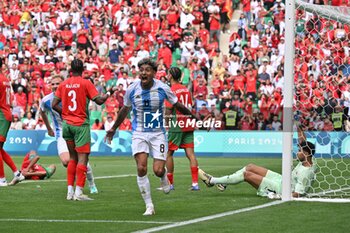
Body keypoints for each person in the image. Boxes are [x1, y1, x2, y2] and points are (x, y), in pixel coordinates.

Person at [105, 58, 198, 215]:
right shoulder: (132, 89)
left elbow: (177, 105)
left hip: (158, 135)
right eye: (141, 70)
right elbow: (124, 110)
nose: (143, 73)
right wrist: (113, 128)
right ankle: (149, 205)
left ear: (154, 73)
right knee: (141, 167)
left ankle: (163, 178)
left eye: (147, 70)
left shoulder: (163, 88)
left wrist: (192, 116)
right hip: (139, 133)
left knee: (158, 170)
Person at [52, 59, 115, 201]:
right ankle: (79, 192)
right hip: (81, 125)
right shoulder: (86, 83)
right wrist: (108, 94)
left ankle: (70, 191)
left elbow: (54, 104)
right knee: (83, 158)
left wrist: (65, 113)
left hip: (67, 125)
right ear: (83, 70)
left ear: (70, 70)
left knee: (72, 157)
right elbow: (99, 101)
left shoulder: (63, 84)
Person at [198, 125, 317, 198]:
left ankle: (212, 181)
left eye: (300, 151)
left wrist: (278, 195)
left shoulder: (305, 173)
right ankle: (224, 183)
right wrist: (298, 126)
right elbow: (304, 142)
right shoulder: (311, 158)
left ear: (306, 153)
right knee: (250, 167)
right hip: (282, 180)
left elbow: (298, 194)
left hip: (282, 189)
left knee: (246, 175)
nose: (297, 152)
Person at [40, 75, 98, 194]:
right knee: (67, 161)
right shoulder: (47, 100)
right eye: (53, 84)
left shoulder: (72, 94)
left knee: (81, 159)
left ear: (63, 84)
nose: (55, 86)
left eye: (58, 83)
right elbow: (42, 111)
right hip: (61, 131)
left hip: (77, 127)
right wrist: (49, 128)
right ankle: (76, 182)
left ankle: (91, 183)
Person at [164, 67, 200, 191]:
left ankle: (170, 184)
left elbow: (168, 109)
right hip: (188, 124)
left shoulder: (171, 90)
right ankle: (195, 183)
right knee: (191, 154)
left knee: (168, 154)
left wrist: (167, 124)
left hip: (176, 125)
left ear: (170, 76)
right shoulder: (186, 89)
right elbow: (189, 107)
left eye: (168, 74)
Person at [0, 58, 25, 186]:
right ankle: (17, 174)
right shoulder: (5, 79)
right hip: (5, 113)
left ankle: (2, 180)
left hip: (2, 115)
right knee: (0, 149)